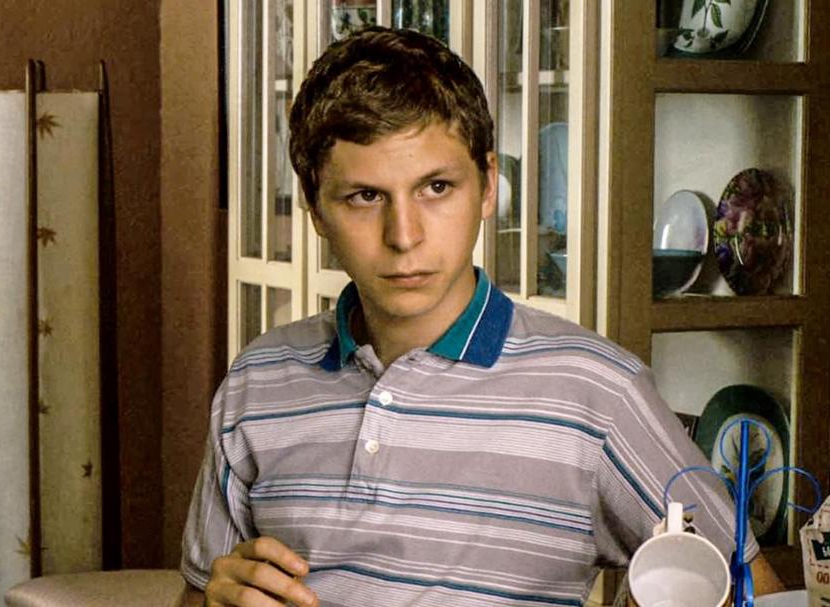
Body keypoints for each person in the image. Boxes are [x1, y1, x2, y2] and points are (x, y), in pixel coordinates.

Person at [181, 27, 782, 606]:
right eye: (365, 196)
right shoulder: (257, 381)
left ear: (488, 185)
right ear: (315, 208)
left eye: (436, 188)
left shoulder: (596, 392)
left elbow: (754, 592)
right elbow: (199, 591)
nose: (404, 236)